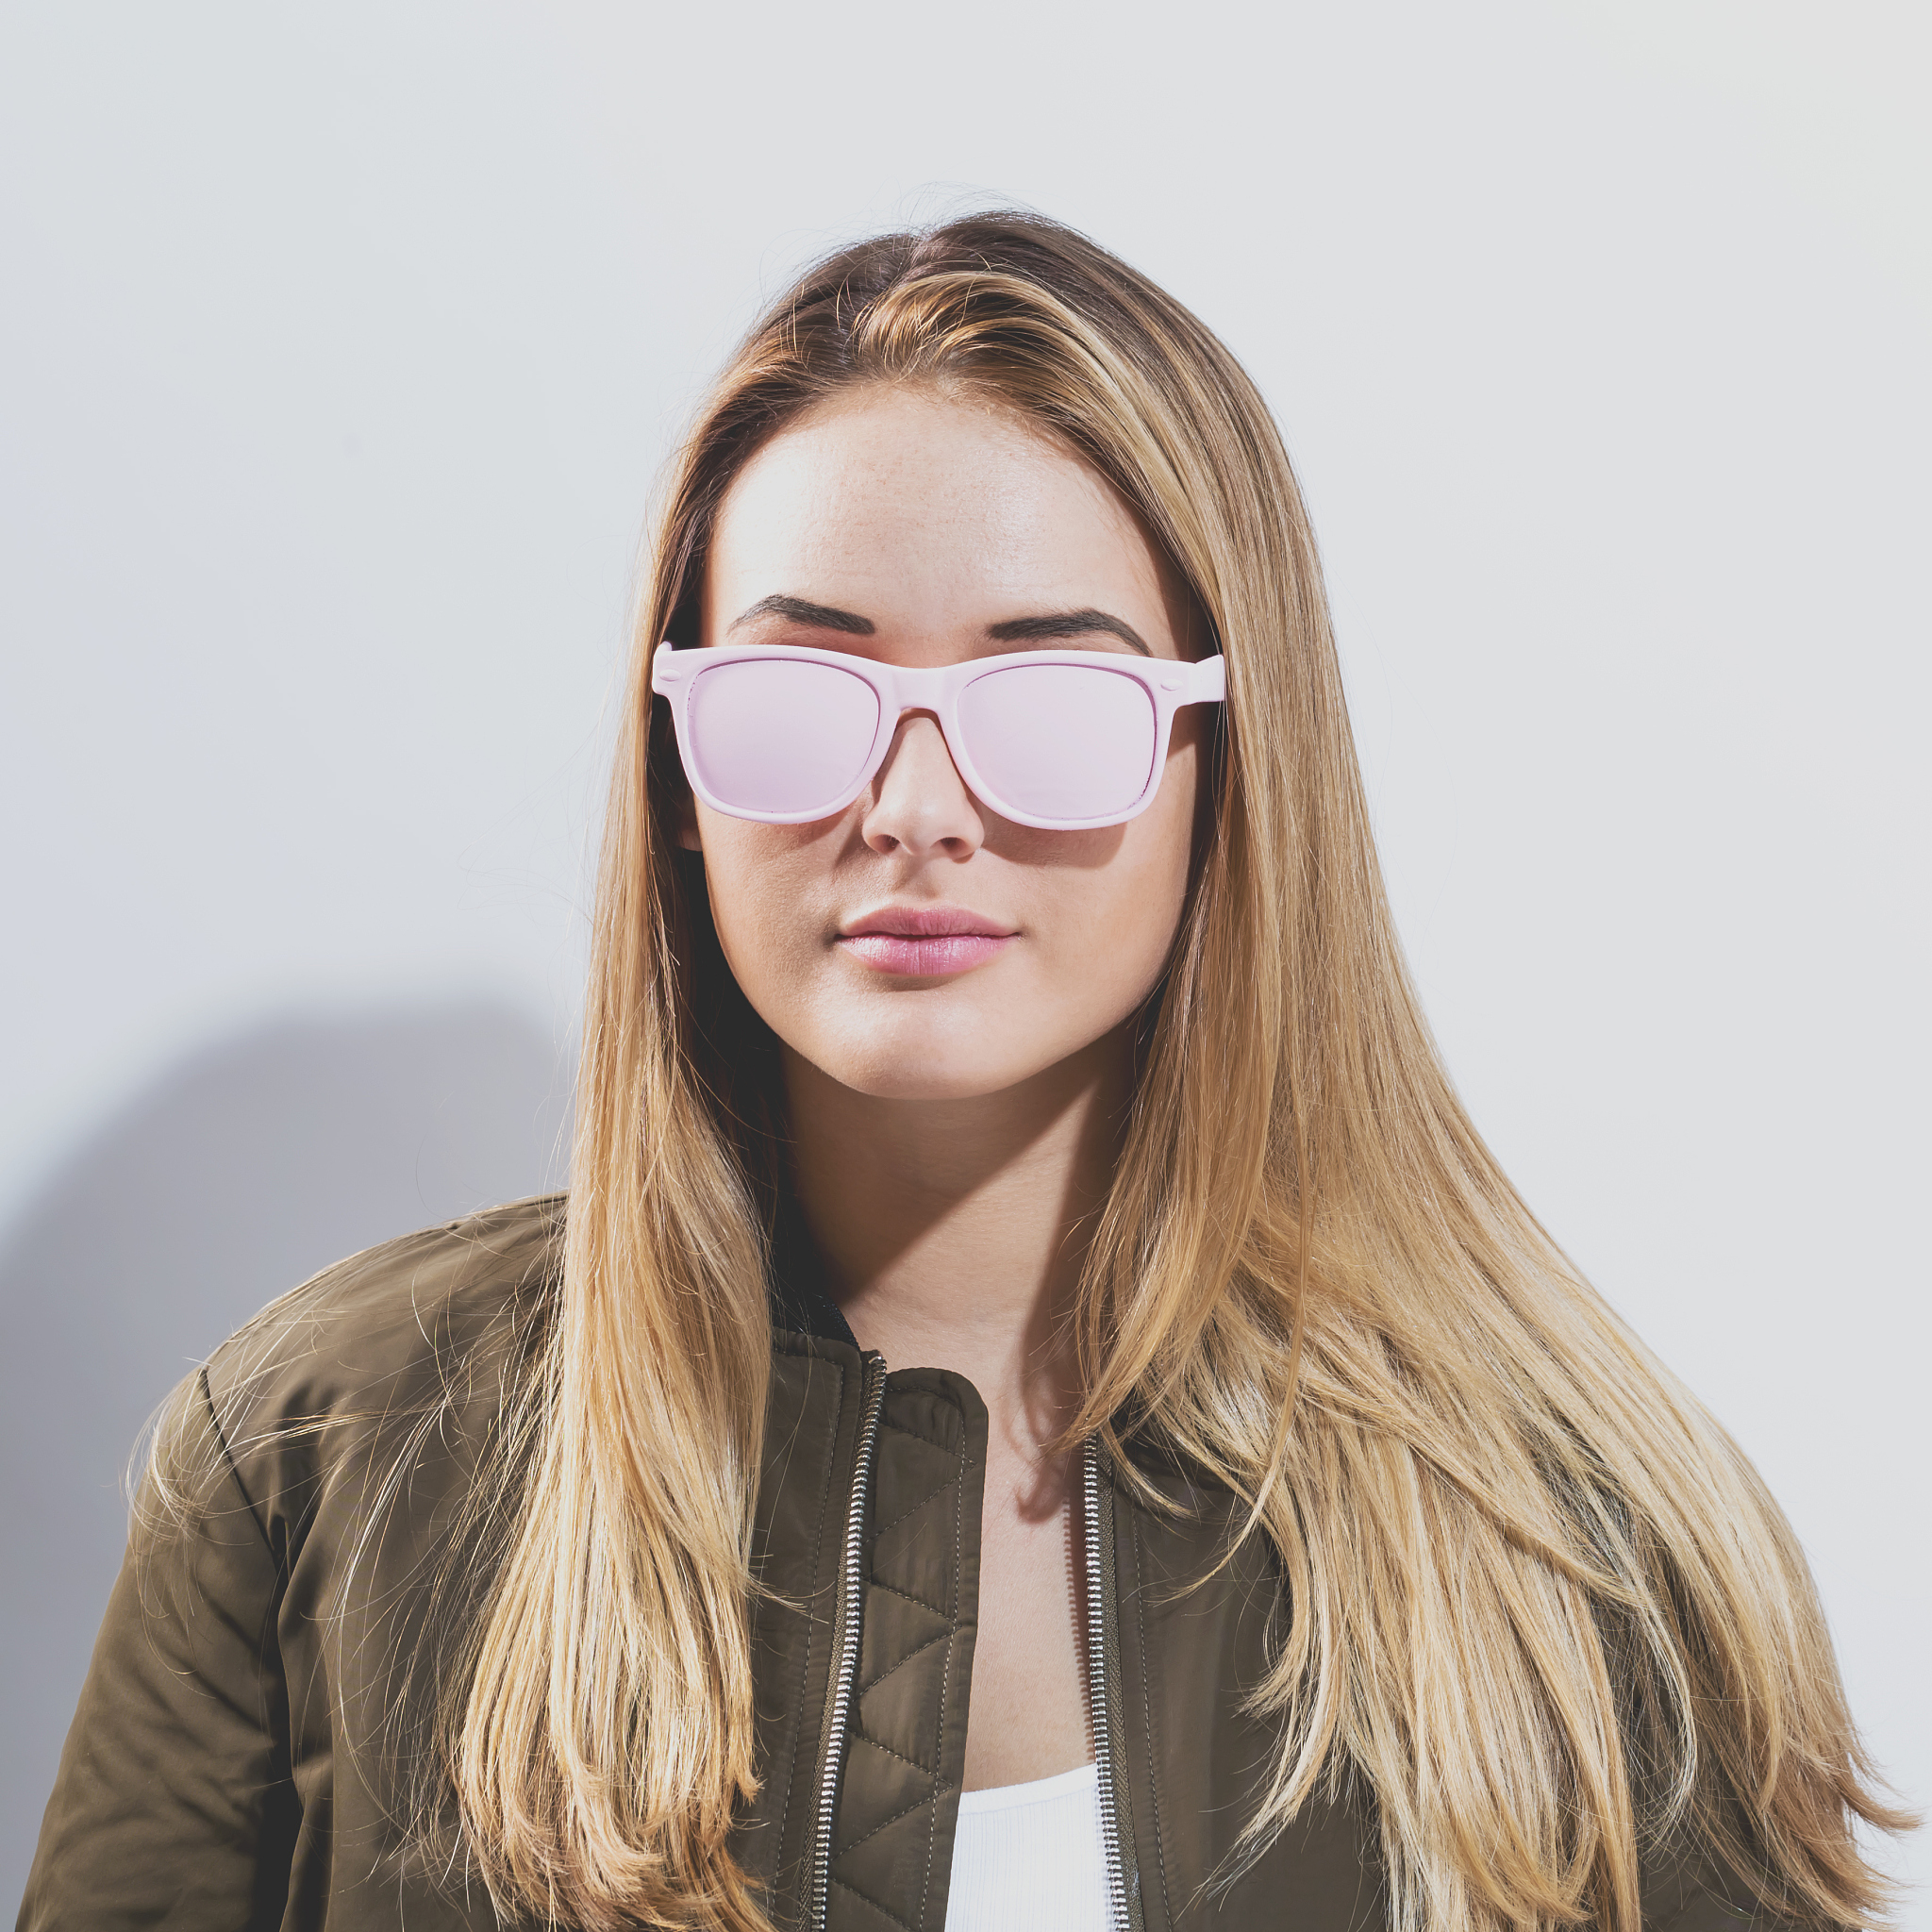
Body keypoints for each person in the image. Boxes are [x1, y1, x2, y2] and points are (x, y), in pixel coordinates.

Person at [21, 212, 1909, 1932]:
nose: (912, 808)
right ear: (675, 768)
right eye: (796, 694)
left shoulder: (1570, 1547)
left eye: (1051, 700)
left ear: (1222, 777)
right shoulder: (309, 1469)